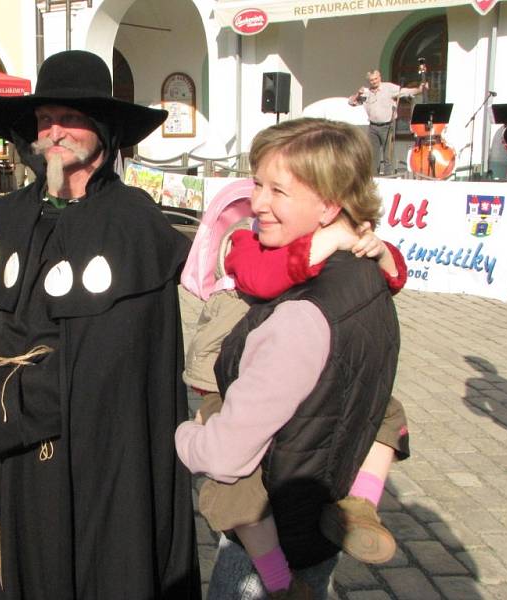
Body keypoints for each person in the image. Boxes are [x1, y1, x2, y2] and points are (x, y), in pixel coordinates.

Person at [0, 50, 201, 599]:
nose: (56, 131)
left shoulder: (135, 228)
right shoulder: (1, 218)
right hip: (1, 456)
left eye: (72, 118)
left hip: (88, 461)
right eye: (46, 118)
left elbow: (112, 372)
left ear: (102, 130)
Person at [175, 118, 401, 600]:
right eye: (257, 183)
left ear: (329, 204)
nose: (256, 203)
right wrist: (340, 245)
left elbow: (224, 454)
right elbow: (256, 271)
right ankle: (360, 500)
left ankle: (280, 583)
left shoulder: (301, 316)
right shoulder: (360, 277)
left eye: (278, 190)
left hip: (279, 530)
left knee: (233, 489)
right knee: (390, 413)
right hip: (323, 501)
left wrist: (183, 435)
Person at [348, 69, 426, 175]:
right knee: (373, 156)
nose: (374, 81)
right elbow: (351, 102)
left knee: (388, 156)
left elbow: (405, 92)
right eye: (371, 80)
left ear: (380, 77)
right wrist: (358, 94)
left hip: (387, 126)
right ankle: (374, 178)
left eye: (376, 79)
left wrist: (419, 90)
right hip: (373, 127)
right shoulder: (367, 92)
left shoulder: (389, 88)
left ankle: (389, 178)